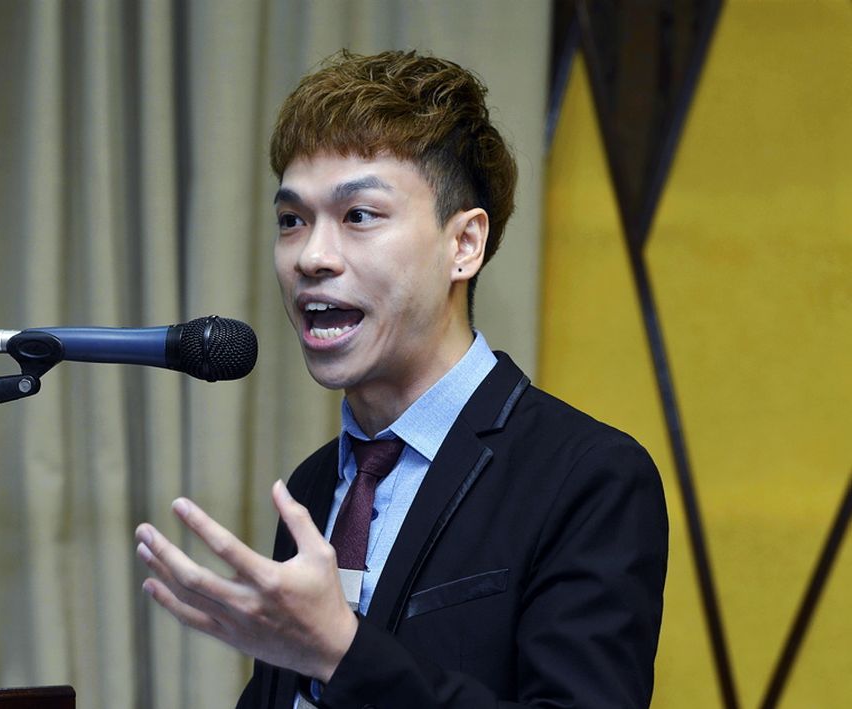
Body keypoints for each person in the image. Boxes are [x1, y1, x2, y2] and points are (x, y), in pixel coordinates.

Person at [135, 50, 668, 708]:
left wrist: (338, 649)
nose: (312, 256)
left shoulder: (587, 477)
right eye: (291, 220)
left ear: (465, 244)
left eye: (359, 216)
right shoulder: (315, 485)